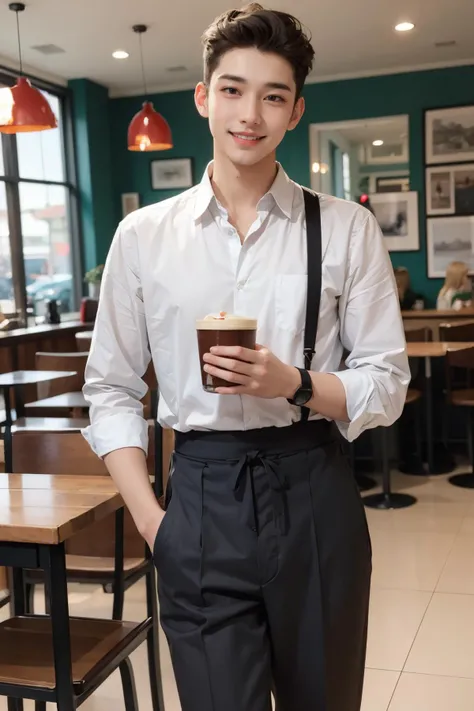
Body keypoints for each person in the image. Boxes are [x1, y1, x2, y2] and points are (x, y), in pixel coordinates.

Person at [82, 4, 410, 711]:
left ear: (295, 111)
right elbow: (108, 389)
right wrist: (152, 522)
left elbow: (388, 382)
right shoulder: (143, 237)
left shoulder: (346, 227)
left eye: (273, 95)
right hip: (198, 496)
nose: (249, 114)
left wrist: (292, 382)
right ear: (202, 97)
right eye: (232, 89)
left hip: (315, 491)